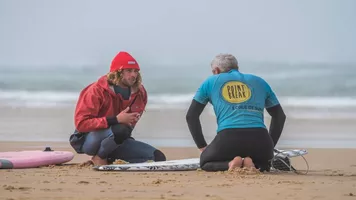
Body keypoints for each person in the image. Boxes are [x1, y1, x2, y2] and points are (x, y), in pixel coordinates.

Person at [186, 53, 286, 172]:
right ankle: (253, 163)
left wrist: (202, 147)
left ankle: (230, 164)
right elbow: (280, 116)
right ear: (236, 67)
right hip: (260, 139)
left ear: (216, 71)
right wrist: (269, 145)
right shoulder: (259, 81)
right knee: (264, 164)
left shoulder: (210, 81)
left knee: (205, 162)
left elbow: (191, 116)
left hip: (228, 139)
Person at [70, 51, 166, 166]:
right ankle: (100, 157)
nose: (133, 75)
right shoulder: (96, 90)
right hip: (89, 140)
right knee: (121, 128)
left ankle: (109, 157)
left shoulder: (140, 93)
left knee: (158, 158)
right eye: (129, 71)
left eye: (136, 71)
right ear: (118, 73)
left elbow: (129, 125)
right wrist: (115, 120)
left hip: (118, 139)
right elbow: (81, 124)